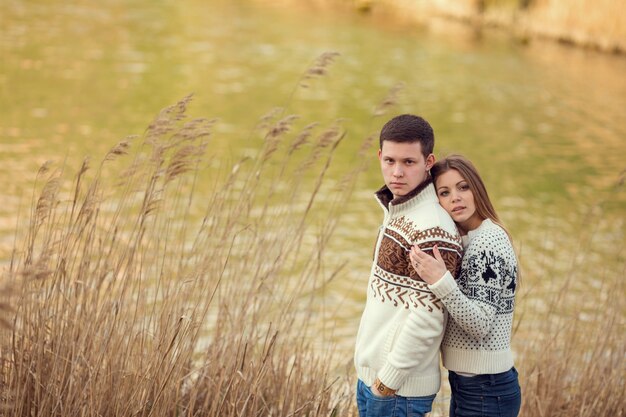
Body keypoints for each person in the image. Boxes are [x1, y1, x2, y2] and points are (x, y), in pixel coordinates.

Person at [354, 114, 464, 417]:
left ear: (429, 161)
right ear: (379, 156)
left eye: (408, 162)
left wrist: (386, 382)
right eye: (389, 161)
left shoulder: (432, 228)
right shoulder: (398, 209)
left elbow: (428, 320)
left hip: (398, 392)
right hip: (373, 381)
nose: (397, 172)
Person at [409, 154, 521, 417]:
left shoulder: (487, 242)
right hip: (472, 385)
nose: (455, 198)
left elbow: (480, 324)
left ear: (477, 188)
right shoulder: (468, 240)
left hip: (486, 389)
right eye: (444, 193)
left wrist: (440, 281)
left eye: (463, 187)